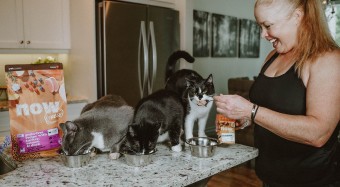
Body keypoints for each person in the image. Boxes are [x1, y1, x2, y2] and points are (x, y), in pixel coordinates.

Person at [214, 0, 340, 186]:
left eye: (268, 26)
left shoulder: (328, 59)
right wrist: (243, 117)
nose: (263, 34)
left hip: (313, 181)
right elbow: (269, 109)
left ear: (298, 16)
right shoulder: (273, 57)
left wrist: (252, 111)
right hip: (270, 177)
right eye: (260, 26)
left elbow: (319, 134)